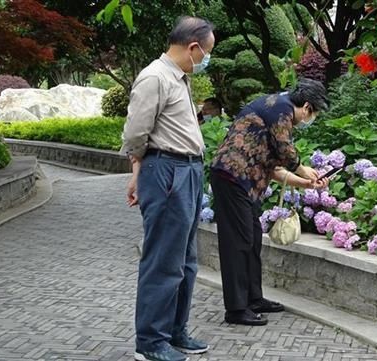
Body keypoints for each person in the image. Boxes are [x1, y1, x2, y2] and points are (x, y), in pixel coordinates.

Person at [121, 16, 214, 361]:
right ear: (193, 47)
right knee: (163, 260)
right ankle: (150, 342)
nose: (206, 59)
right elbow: (135, 135)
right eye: (206, 53)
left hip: (187, 170)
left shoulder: (180, 78)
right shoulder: (155, 78)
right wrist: (137, 172)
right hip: (167, 170)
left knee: (186, 261)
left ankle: (175, 331)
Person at [209, 78, 330, 326]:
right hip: (231, 177)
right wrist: (303, 169)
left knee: (252, 240)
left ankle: (253, 299)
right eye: (313, 113)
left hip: (243, 183)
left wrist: (305, 182)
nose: (310, 119)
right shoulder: (282, 109)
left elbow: (274, 168)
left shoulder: (274, 111)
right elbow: (285, 150)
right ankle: (236, 309)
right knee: (238, 243)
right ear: (307, 107)